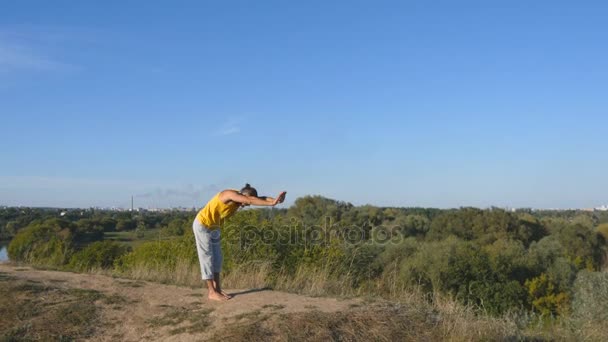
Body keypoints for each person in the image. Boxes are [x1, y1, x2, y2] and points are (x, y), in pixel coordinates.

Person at [193, 184, 286, 301]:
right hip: (202, 224)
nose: (245, 205)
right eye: (245, 202)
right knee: (207, 257)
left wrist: (276, 201)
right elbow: (250, 199)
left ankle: (218, 289)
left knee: (217, 258)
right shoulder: (228, 194)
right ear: (242, 195)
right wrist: (271, 204)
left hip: (214, 227)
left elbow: (260, 198)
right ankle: (211, 292)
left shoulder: (242, 199)